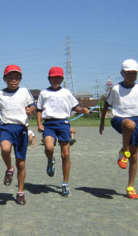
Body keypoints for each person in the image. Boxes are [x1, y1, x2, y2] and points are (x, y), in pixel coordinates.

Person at [99, 59, 138, 200]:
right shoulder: (116, 89)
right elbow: (106, 105)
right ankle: (124, 150)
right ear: (122, 73)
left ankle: (130, 187)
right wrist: (101, 123)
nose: (132, 76)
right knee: (129, 124)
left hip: (134, 119)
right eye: (129, 73)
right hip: (119, 119)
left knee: (134, 157)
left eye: (134, 73)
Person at [37, 66, 90, 197]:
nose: (56, 80)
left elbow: (75, 106)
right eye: (54, 77)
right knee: (49, 148)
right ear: (49, 79)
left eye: (59, 78)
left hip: (63, 123)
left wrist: (83, 110)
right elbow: (38, 109)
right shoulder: (44, 93)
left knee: (65, 154)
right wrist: (39, 124)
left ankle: (65, 183)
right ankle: (50, 160)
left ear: (62, 79)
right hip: (49, 124)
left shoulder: (66, 92)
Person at [0, 64, 35, 205]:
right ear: (4, 78)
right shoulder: (0, 94)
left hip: (21, 129)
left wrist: (30, 110)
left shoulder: (25, 91)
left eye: (16, 77)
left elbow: (33, 105)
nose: (13, 80)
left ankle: (20, 192)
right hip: (6, 127)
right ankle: (9, 168)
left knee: (21, 163)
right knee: (5, 149)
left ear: (20, 79)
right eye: (10, 77)